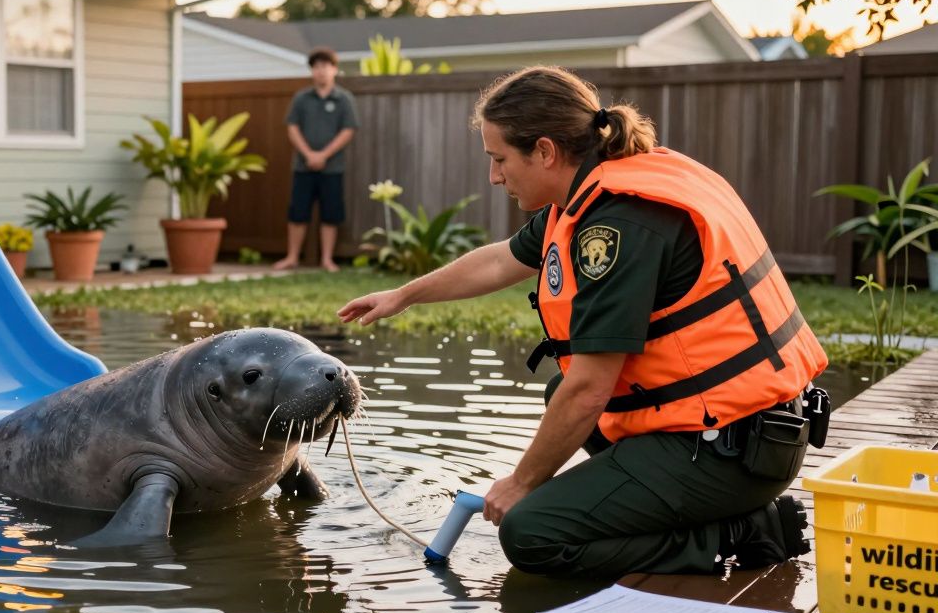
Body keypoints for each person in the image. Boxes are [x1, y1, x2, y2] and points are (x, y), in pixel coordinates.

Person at [338, 66, 828, 578]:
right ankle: (659, 504)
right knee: (559, 392)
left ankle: (740, 533)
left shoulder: (617, 225)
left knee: (531, 534)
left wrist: (523, 483)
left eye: (499, 158)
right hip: (739, 432)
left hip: (732, 454)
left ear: (545, 151)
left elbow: (592, 387)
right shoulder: (590, 191)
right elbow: (501, 260)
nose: (494, 176)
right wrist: (403, 296)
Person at [273, 47, 359, 273]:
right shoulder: (301, 98)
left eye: (325, 66)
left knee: (330, 214)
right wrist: (309, 154)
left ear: (334, 69)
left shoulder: (343, 99)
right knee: (297, 213)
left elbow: (348, 130)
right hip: (303, 166)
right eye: (316, 67)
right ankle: (292, 257)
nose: (321, 71)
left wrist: (323, 155)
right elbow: (292, 128)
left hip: (333, 168)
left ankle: (327, 260)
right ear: (312, 71)